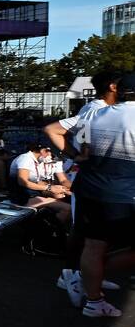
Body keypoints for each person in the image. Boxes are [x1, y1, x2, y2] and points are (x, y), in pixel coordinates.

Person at [54, 72, 135, 317]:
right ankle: (89, 281)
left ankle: (92, 296)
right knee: (98, 246)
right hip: (123, 192)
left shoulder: (94, 113)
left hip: (91, 187)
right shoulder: (98, 109)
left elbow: (55, 131)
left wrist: (76, 155)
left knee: (93, 245)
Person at [45, 68, 121, 302]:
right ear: (112, 87)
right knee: (82, 229)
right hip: (91, 180)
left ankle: (90, 275)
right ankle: (70, 275)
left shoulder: (107, 110)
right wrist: (76, 156)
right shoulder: (94, 109)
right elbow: (70, 137)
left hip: (104, 179)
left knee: (99, 232)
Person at [9, 142, 71, 225]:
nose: (54, 159)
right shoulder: (25, 159)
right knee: (68, 208)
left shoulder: (54, 159)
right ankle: (51, 230)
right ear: (43, 151)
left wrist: (74, 189)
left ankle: (51, 225)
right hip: (22, 196)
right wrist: (50, 188)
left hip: (36, 191)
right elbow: (23, 182)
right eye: (50, 154)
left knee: (62, 195)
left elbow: (63, 180)